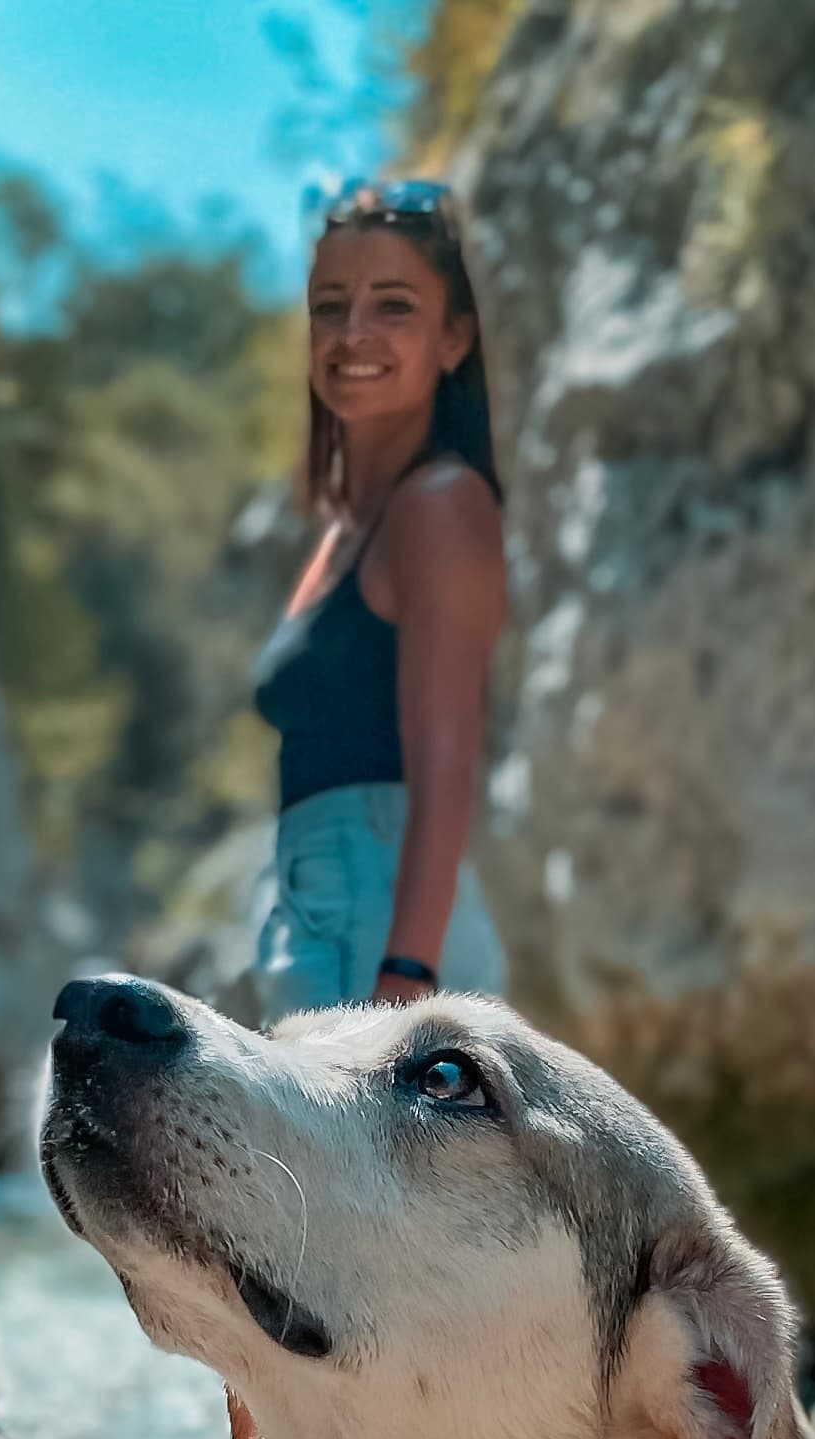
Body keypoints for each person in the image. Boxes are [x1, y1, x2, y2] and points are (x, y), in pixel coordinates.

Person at [250, 180, 508, 1018]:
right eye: (331, 306)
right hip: (318, 916)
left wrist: (407, 980)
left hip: (385, 931)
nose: (353, 333)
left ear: (453, 336)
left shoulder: (438, 505)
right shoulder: (346, 528)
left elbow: (446, 756)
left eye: (394, 306)